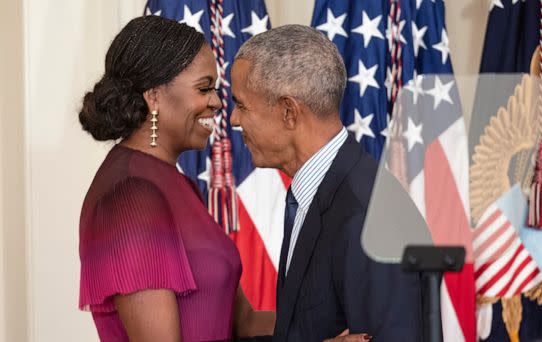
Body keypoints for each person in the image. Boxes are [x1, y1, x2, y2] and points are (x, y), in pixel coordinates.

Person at [78, 15, 274, 342]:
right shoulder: (131, 195)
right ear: (153, 96)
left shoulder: (177, 184)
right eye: (204, 88)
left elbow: (245, 323)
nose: (216, 101)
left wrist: (326, 330)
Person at [230, 25, 423, 342]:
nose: (234, 120)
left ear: (289, 112)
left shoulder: (367, 218)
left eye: (242, 105)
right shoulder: (321, 192)